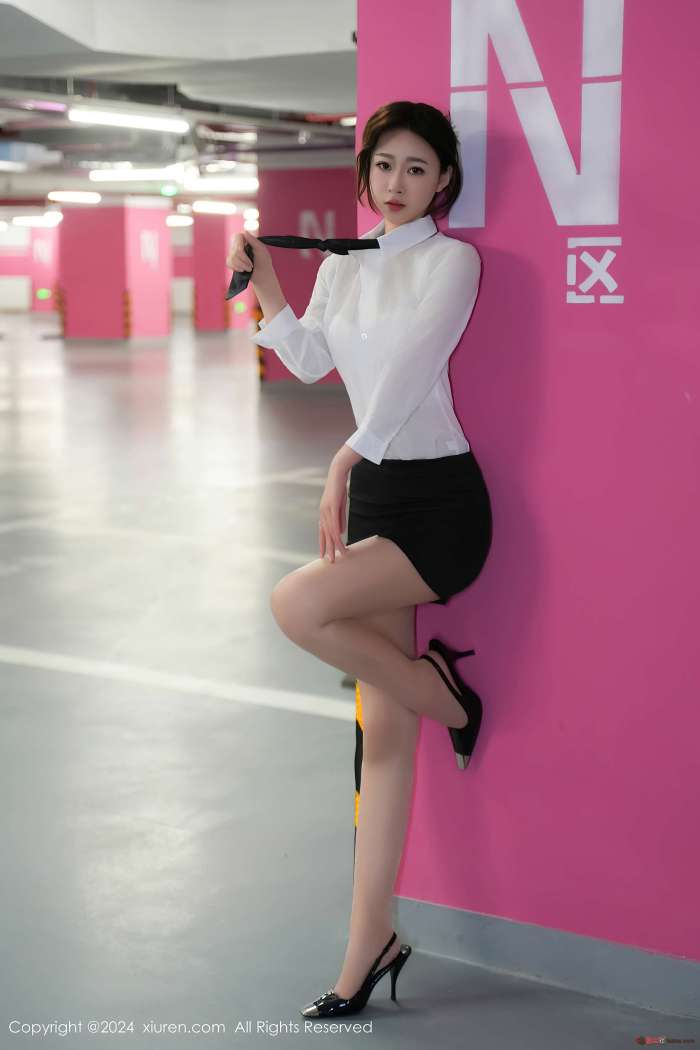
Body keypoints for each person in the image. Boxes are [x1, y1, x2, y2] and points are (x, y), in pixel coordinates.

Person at [226, 100, 493, 1018]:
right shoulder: (344, 262)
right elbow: (308, 361)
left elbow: (410, 375)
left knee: (296, 604)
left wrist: (343, 459)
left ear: (444, 181)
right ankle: (368, 944)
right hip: (378, 495)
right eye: (384, 165)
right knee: (383, 739)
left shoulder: (452, 263)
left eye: (417, 168)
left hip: (440, 504)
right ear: (366, 174)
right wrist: (268, 285)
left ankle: (447, 695)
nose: (397, 182)